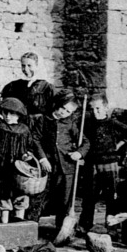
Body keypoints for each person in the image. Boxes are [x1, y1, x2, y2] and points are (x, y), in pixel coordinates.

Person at [29, 91, 89, 235]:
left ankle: (61, 231)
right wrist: (42, 158)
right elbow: (35, 139)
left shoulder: (70, 124)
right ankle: (30, 228)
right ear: (57, 104)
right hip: (47, 167)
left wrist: (79, 153)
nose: (64, 113)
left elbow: (86, 142)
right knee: (39, 198)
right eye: (63, 108)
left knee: (64, 200)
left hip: (67, 167)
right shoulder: (43, 120)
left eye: (69, 111)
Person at [0, 97, 47, 224]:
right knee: (4, 194)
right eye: (5, 113)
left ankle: (19, 220)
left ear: (19, 115)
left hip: (18, 168)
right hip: (1, 167)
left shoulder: (24, 129)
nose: (7, 116)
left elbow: (29, 147)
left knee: (21, 193)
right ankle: (4, 220)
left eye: (11, 113)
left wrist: (27, 156)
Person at [79, 94, 127, 232]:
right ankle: (85, 225)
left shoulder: (112, 123)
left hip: (109, 162)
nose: (95, 112)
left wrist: (118, 145)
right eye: (92, 109)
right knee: (89, 196)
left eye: (98, 108)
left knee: (111, 196)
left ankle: (112, 227)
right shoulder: (86, 123)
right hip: (91, 163)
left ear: (106, 108)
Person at [0, 52, 55, 117]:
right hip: (18, 124)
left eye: (29, 65)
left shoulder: (47, 87)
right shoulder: (12, 86)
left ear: (37, 66)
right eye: (23, 65)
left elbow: (51, 111)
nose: (26, 69)